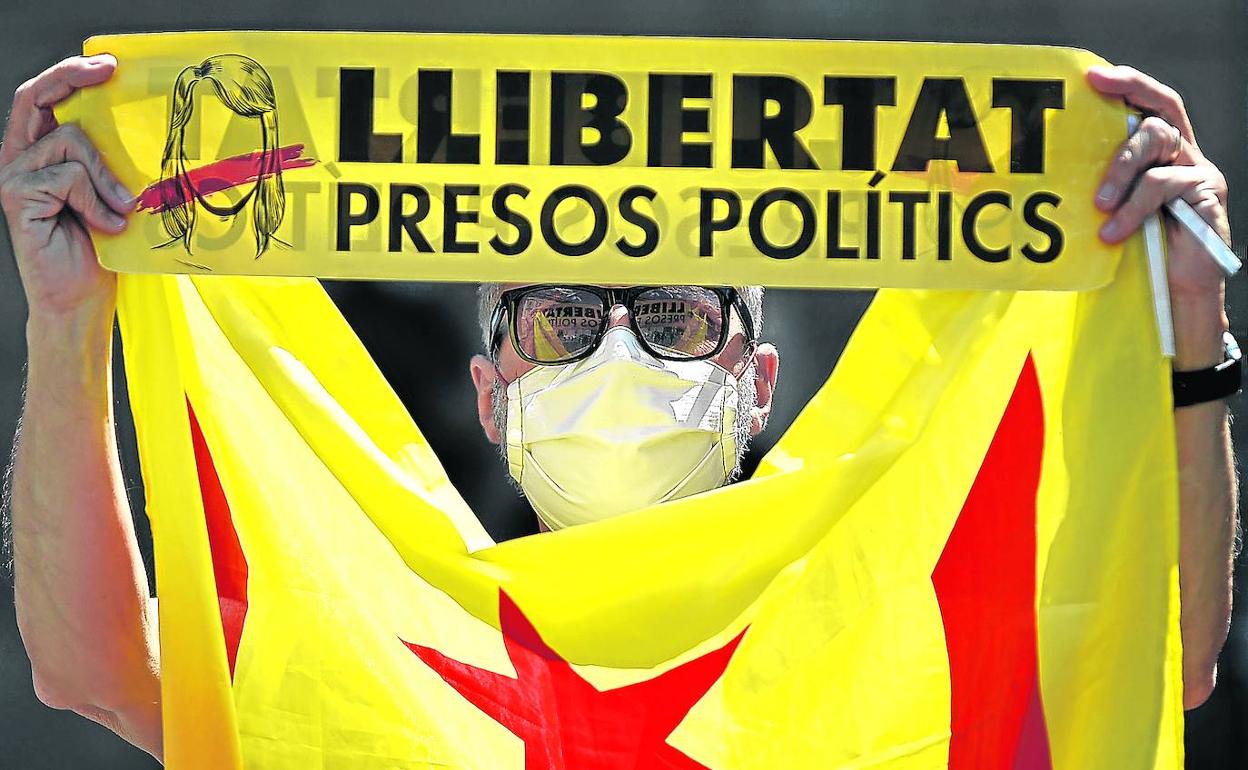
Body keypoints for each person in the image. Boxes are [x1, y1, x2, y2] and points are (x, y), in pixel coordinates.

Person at [0, 54, 1237, 763]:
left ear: (759, 382)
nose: (620, 351)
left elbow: (1162, 656)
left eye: (677, 315)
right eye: (561, 319)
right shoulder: (372, 634)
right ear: (490, 394)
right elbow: (89, 667)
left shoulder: (889, 610)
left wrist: (1188, 328)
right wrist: (68, 323)